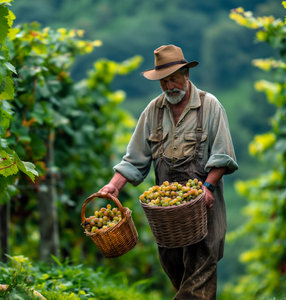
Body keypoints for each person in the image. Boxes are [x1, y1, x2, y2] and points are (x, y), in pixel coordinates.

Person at [99, 44, 238, 299]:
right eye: (163, 81)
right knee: (178, 272)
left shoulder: (210, 106)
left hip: (204, 209)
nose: (169, 86)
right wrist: (113, 186)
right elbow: (134, 159)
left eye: (173, 78)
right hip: (168, 221)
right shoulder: (153, 111)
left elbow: (222, 156)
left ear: (186, 75)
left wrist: (207, 188)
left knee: (198, 277)